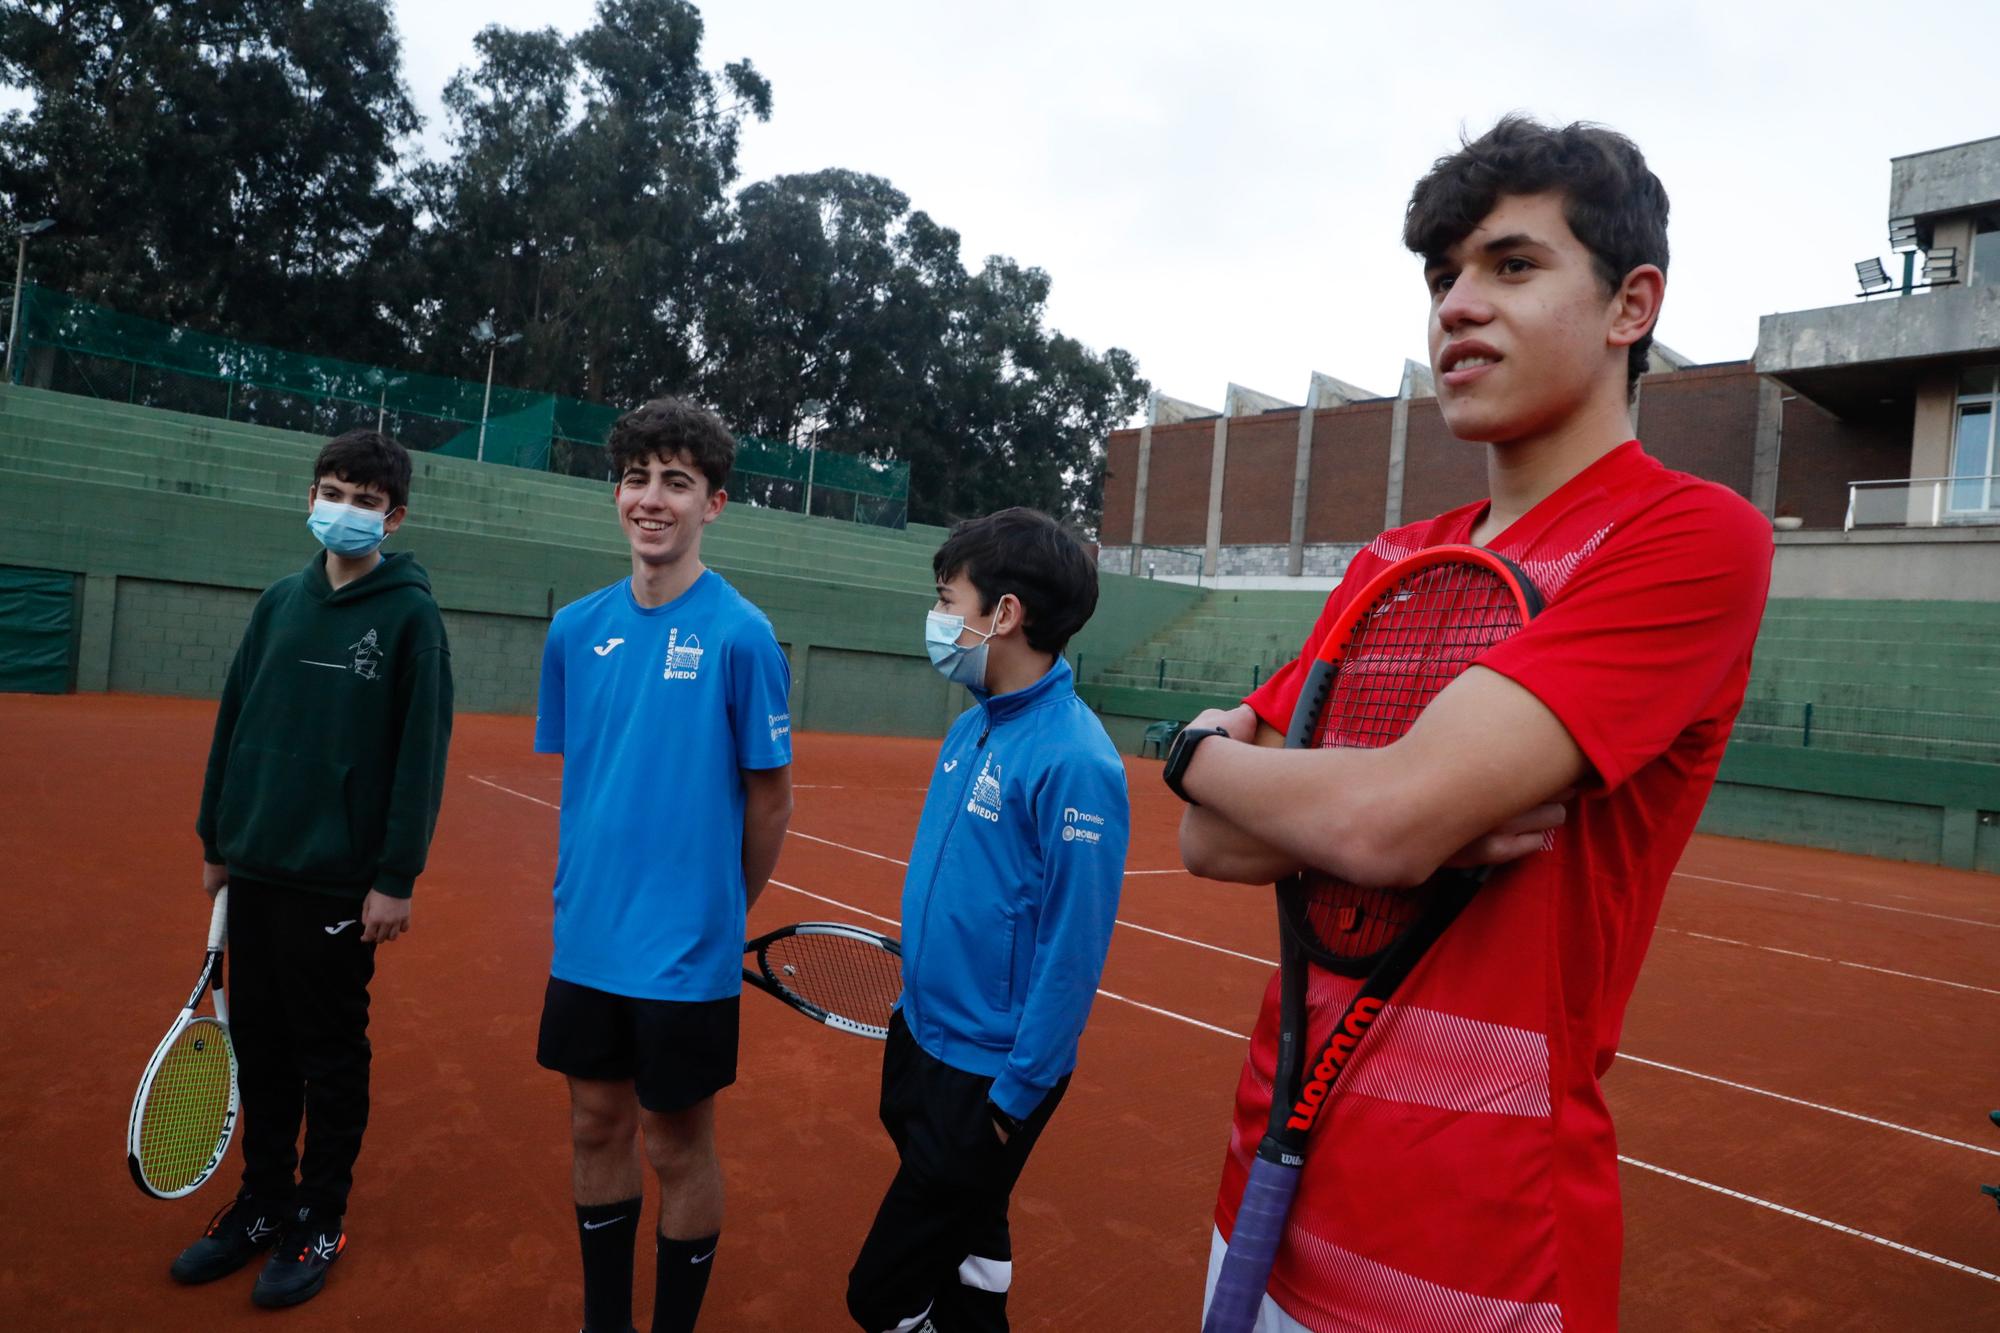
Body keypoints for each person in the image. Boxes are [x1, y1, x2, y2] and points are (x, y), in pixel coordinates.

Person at [1171, 117, 1773, 1330]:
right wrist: (1222, 772)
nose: (1454, 304)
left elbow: (1388, 825)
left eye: (1509, 265)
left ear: (1628, 306)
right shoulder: (1392, 559)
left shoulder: (1689, 536)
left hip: (1474, 1258)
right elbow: (1209, 844)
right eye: (1441, 276)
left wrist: (1216, 756)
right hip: (1261, 1199)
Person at [176, 429, 454, 1309]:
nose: (345, 508)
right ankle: (262, 1200)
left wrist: (395, 877)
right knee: (259, 1042)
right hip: (256, 863)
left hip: (339, 881)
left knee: (328, 1052)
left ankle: (319, 1214)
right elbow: (235, 720)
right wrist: (217, 838)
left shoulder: (411, 615)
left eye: (365, 498)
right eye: (333, 489)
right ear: (309, 497)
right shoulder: (278, 603)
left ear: (394, 515)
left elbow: (420, 755)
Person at [533, 397, 794, 1333]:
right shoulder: (575, 630)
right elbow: (595, 778)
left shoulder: (741, 635)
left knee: (676, 1143)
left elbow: (769, 798)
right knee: (593, 1126)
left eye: (677, 483)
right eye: (640, 479)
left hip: (686, 950)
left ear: (713, 504)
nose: (653, 500)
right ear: (618, 492)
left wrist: (723, 908)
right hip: (588, 939)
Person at [846, 508, 1131, 1333]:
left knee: (881, 1294)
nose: (939, 618)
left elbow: (1074, 951)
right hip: (925, 1037)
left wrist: (1015, 1095)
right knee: (972, 1246)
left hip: (992, 1073)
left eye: (949, 598)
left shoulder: (1077, 760)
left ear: (1003, 613)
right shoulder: (973, 724)